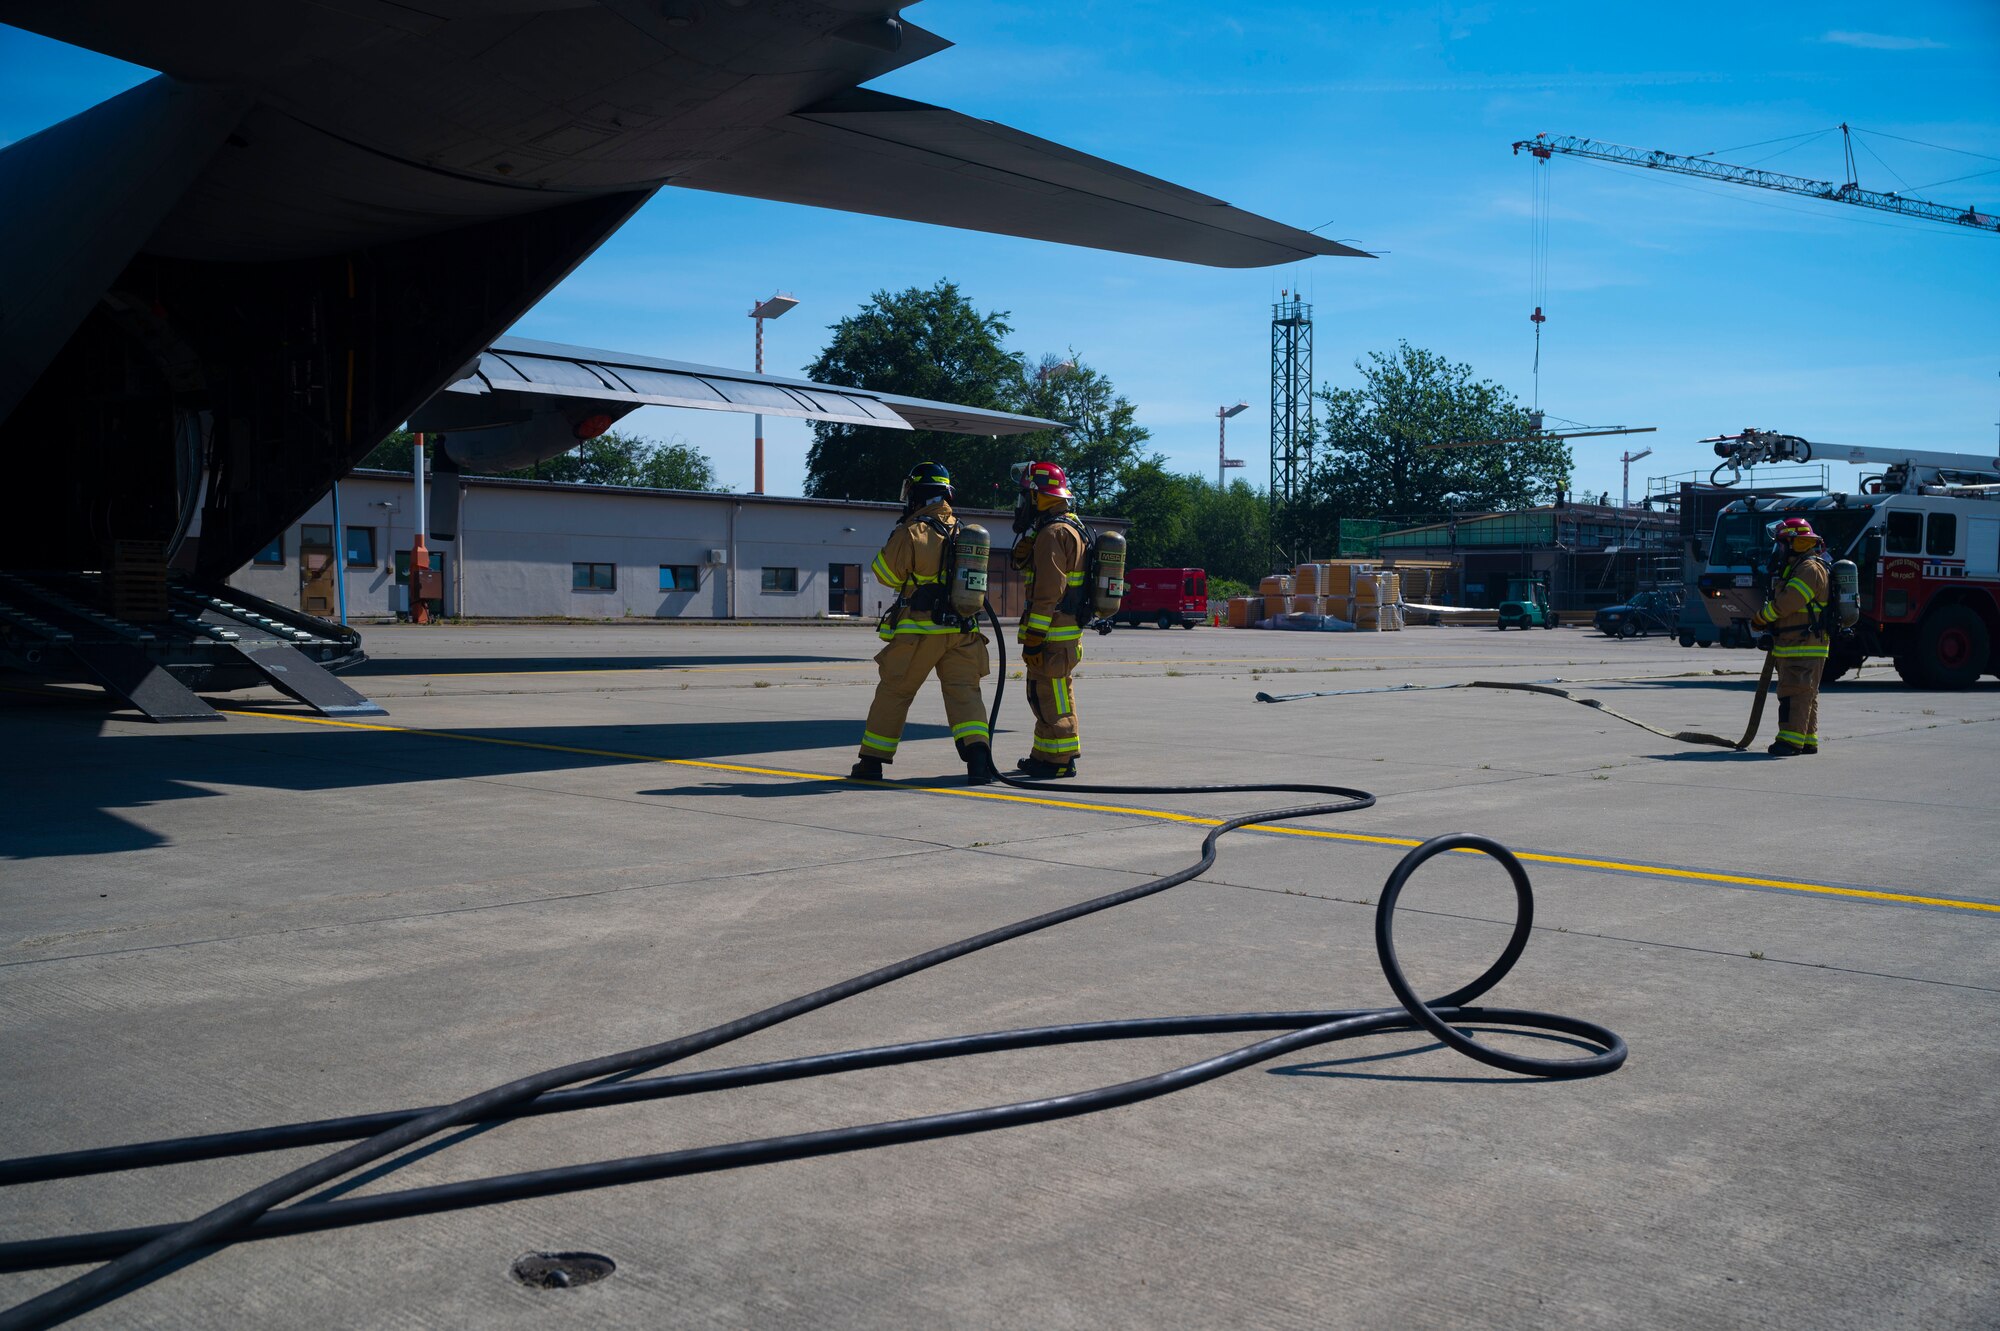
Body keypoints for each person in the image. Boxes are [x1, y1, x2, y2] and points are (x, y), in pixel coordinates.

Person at [851, 461, 999, 784]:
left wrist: (900, 537)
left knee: (894, 692)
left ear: (917, 492)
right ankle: (978, 764)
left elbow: (885, 574)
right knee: (965, 694)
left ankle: (872, 761)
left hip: (919, 632)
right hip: (963, 631)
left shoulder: (912, 531)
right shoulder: (965, 531)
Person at [1009, 460, 1088, 777]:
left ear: (1040, 496)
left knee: (1052, 698)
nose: (1023, 503)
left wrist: (1034, 637)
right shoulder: (1070, 527)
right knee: (1046, 695)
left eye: (1026, 495)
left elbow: (1047, 593)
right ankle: (1046, 755)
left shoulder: (1053, 534)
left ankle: (1059, 761)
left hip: (1052, 636)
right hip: (1064, 635)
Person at [1752, 515, 1831, 756]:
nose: (1779, 550)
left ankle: (1789, 742)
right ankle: (1807, 739)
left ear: (1798, 544)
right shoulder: (1799, 568)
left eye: (1783, 544)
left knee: (1794, 692)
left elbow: (1786, 604)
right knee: (1805, 693)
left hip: (1803, 644)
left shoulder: (1809, 569)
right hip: (1796, 643)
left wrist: (1760, 618)